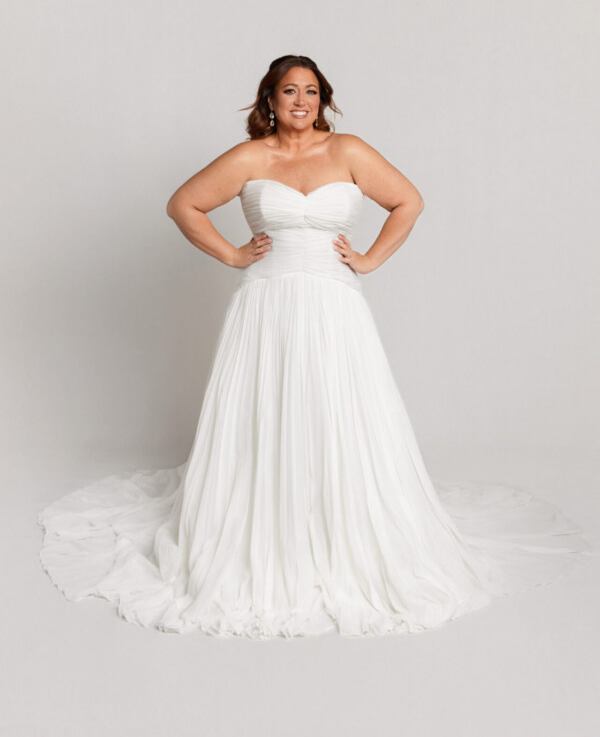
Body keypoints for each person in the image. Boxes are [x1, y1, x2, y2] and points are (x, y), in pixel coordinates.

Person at [37, 54, 594, 639]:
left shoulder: (348, 150)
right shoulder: (251, 157)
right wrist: (230, 254)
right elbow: (184, 204)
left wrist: (371, 259)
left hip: (334, 306)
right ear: (269, 100)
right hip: (266, 305)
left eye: (310, 91)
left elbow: (409, 201)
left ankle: (345, 532)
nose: (299, 101)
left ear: (322, 99)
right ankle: (262, 534)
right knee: (265, 418)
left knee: (338, 415)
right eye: (288, 91)